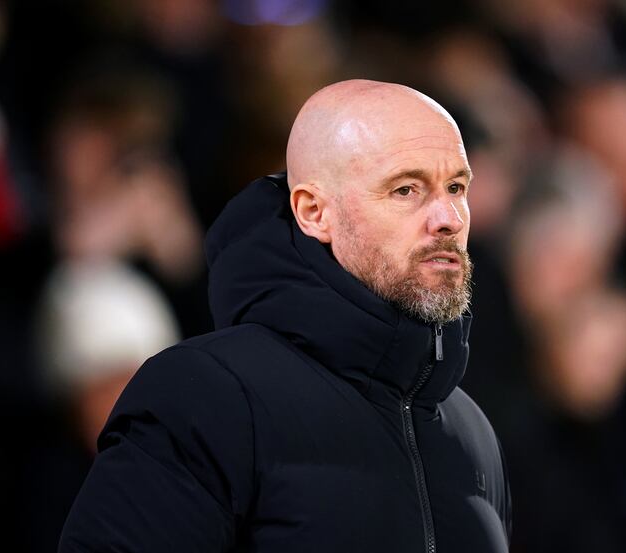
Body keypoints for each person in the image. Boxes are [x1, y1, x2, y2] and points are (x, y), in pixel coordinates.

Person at [58, 79, 512, 552]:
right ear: (314, 212)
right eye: (405, 189)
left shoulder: (471, 431)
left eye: (456, 186)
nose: (450, 218)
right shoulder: (205, 393)